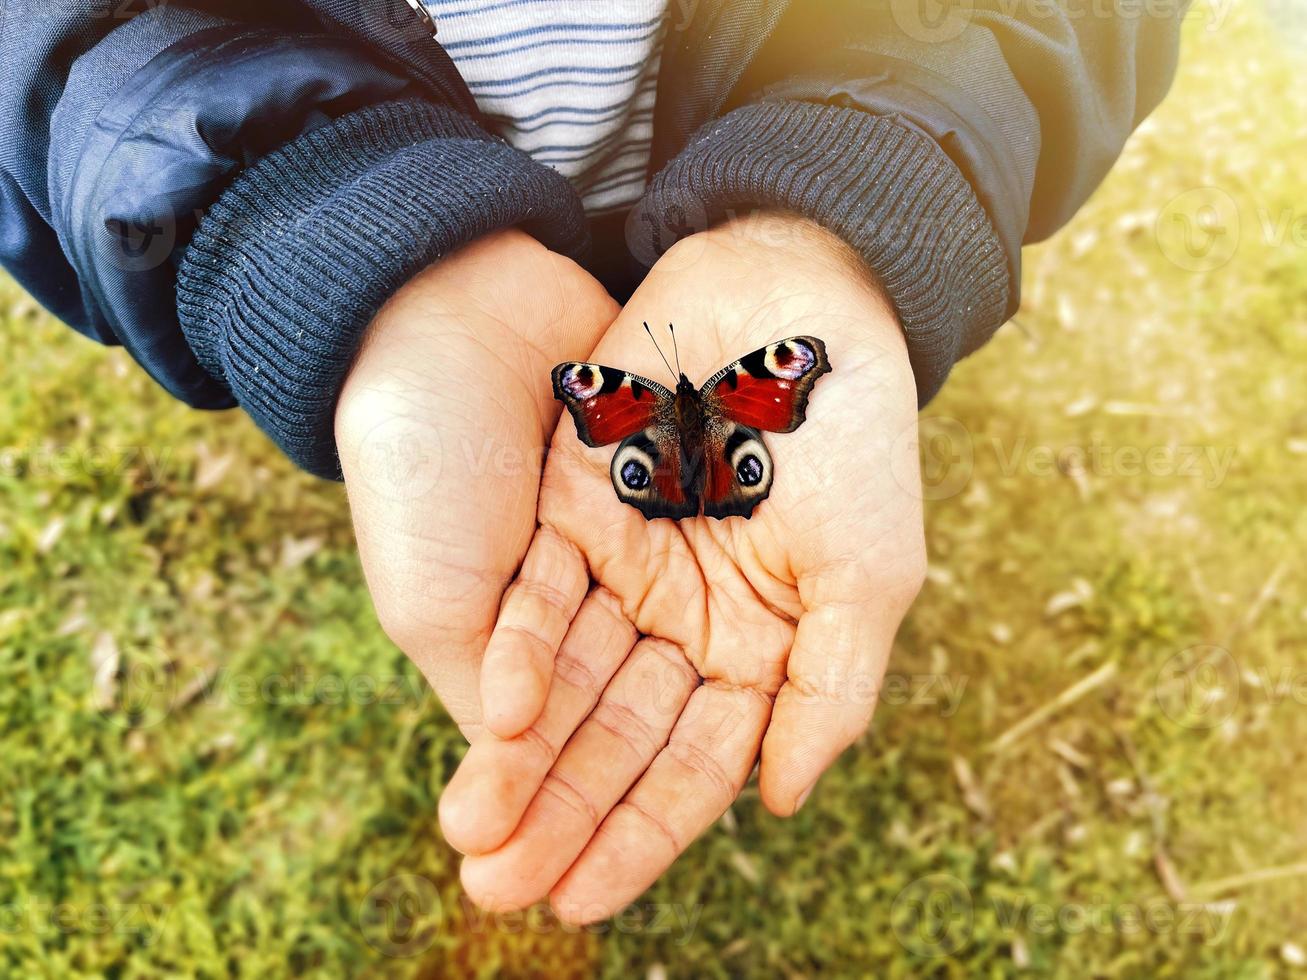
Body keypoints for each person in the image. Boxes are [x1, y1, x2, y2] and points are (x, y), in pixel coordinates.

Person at [0, 0, 1185, 924]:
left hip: (735, 159)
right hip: (424, 197)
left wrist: (853, 180)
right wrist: (313, 225)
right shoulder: (709, 407)